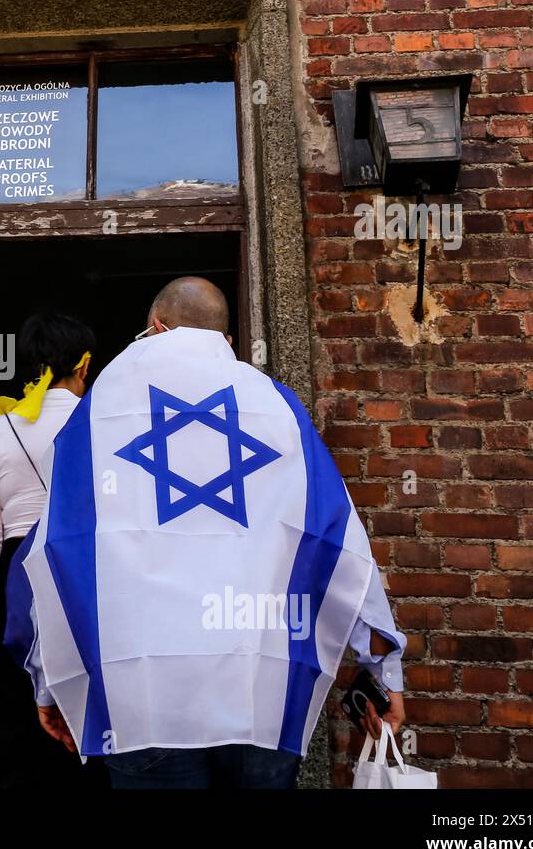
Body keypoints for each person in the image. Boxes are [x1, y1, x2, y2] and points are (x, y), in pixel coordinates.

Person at [21, 277, 407, 789]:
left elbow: (60, 550)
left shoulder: (101, 411)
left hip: (145, 694)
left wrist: (52, 682)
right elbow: (337, 541)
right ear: (228, 341)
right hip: (258, 691)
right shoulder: (277, 407)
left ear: (154, 328)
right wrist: (381, 668)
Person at [0, 311, 104, 788]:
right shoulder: (103, 424)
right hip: (89, 578)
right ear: (84, 365)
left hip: (16, 581)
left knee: (16, 729)